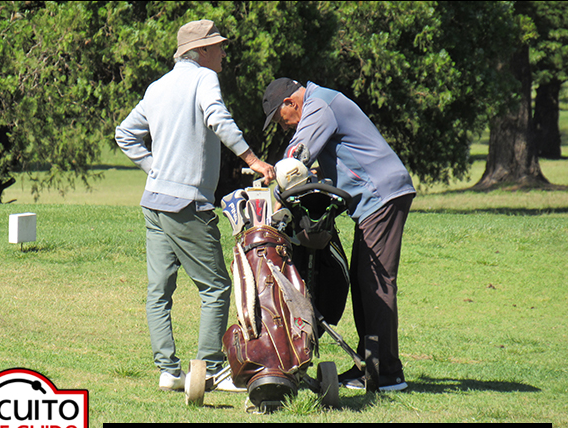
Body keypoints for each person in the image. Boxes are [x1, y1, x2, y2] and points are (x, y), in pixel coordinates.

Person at [116, 20, 274, 392]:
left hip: (154, 201)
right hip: (186, 203)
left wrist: (156, 170)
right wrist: (252, 159)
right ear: (201, 50)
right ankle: (212, 370)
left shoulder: (157, 86)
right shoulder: (204, 78)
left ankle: (169, 372)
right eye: (218, 46)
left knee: (159, 290)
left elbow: (125, 133)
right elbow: (217, 118)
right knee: (216, 287)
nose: (223, 53)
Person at [262, 78, 415, 391]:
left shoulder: (319, 106)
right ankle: (373, 368)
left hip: (380, 195)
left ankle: (386, 373)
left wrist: (276, 196)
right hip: (378, 197)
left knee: (375, 284)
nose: (284, 125)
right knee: (364, 281)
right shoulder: (324, 101)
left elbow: (294, 158)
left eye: (281, 119)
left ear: (290, 103)